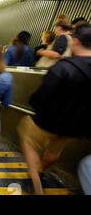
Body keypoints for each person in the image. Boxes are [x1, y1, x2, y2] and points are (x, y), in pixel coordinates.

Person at [17, 24, 91, 195]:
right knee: (55, 149)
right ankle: (41, 170)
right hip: (75, 127)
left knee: (27, 137)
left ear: (76, 41)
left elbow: (40, 98)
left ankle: (35, 181)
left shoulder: (64, 67)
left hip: (48, 121)